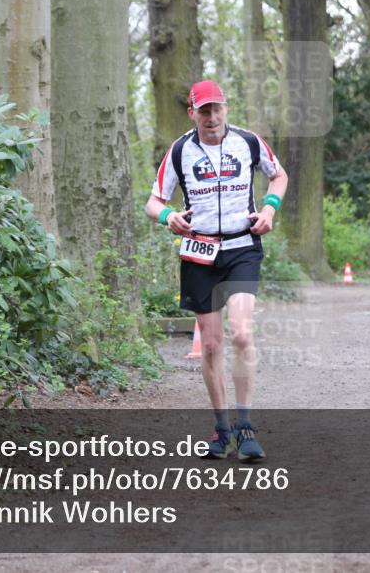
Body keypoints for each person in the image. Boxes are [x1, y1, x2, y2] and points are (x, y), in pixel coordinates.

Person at [144, 80, 288, 462]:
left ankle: (245, 426)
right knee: (210, 345)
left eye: (217, 109)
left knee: (241, 333)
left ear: (226, 109)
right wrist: (168, 216)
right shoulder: (179, 151)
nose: (212, 117)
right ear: (192, 113)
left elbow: (279, 175)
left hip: (242, 246)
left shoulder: (249, 142)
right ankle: (222, 429)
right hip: (199, 252)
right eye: (203, 110)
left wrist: (270, 209)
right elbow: (153, 202)